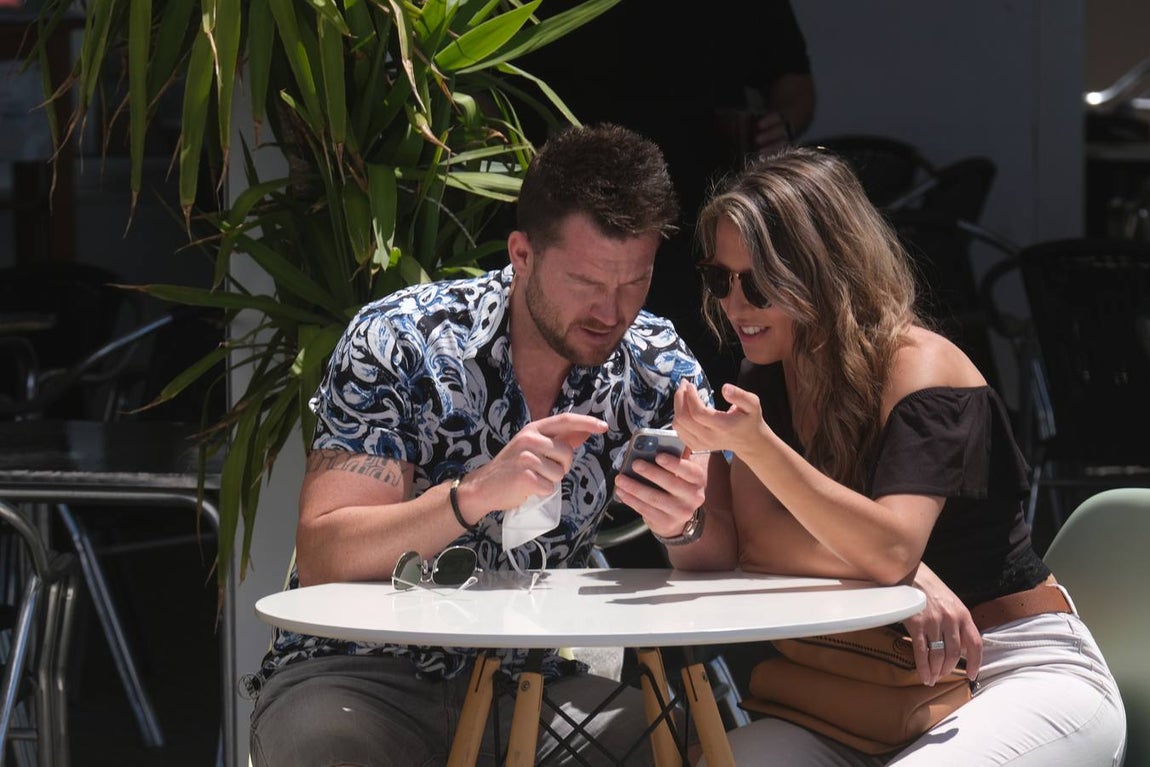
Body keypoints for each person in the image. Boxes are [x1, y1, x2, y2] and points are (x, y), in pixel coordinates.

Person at [618, 147, 1127, 765]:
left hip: (1014, 663)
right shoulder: (769, 378)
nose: (733, 303)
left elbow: (889, 546)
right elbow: (753, 545)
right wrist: (684, 518)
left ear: (823, 273)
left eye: (758, 282)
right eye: (718, 278)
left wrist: (761, 450)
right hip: (870, 688)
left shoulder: (921, 365)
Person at [247, 123, 713, 767]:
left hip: (534, 685)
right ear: (521, 255)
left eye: (634, 282)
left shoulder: (656, 364)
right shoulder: (401, 341)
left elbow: (725, 560)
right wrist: (471, 496)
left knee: (678, 747)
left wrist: (687, 525)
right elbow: (327, 551)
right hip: (361, 678)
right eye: (586, 281)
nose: (612, 311)